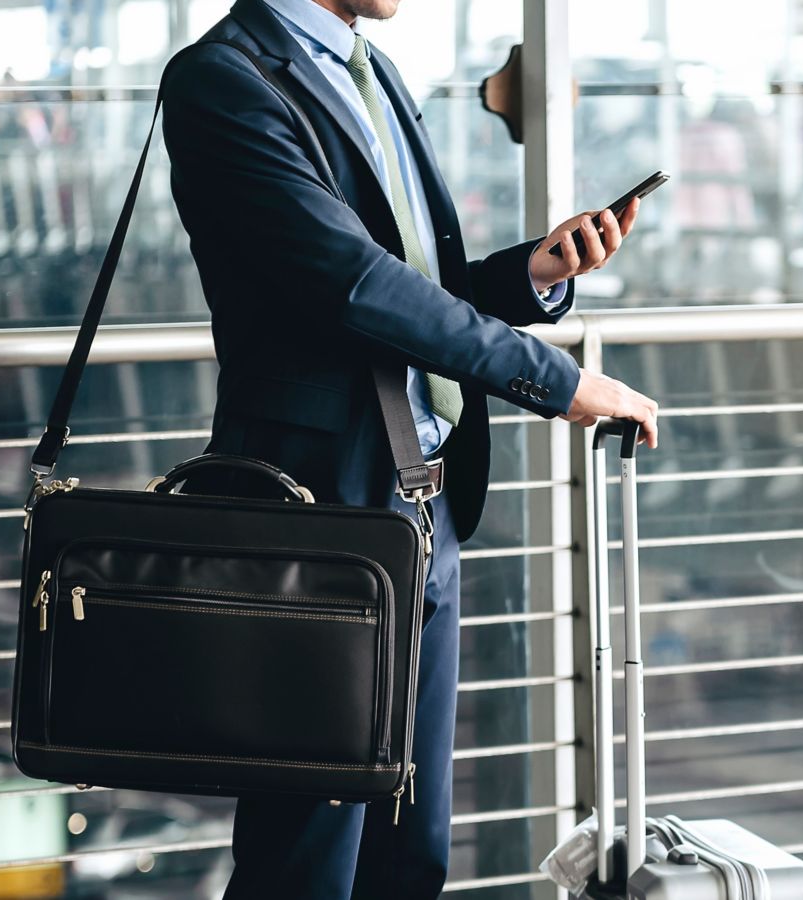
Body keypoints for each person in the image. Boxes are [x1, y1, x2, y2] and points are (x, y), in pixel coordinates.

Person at [160, 0, 660, 896]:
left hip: (424, 504)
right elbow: (353, 286)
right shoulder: (221, 79)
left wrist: (533, 275)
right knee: (306, 857)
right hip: (319, 509)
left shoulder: (370, 68)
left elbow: (417, 285)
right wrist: (555, 381)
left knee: (411, 853)